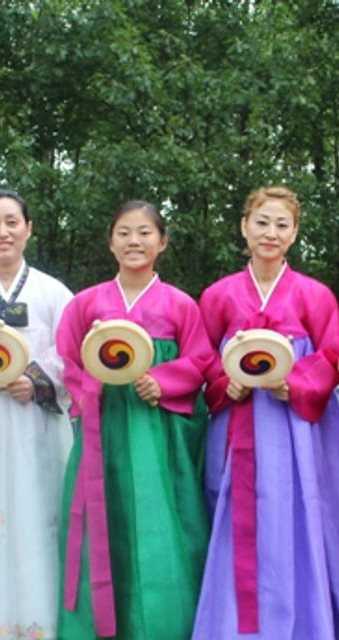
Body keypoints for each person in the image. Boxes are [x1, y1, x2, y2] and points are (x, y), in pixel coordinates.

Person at [192, 186, 339, 639]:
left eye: (282, 224)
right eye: (262, 222)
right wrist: (226, 383)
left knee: (297, 515)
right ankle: (232, 627)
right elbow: (202, 354)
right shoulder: (220, 295)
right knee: (235, 518)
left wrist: (296, 384)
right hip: (238, 423)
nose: (271, 232)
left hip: (293, 427)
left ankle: (303, 624)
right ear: (244, 227)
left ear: (295, 233)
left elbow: (332, 353)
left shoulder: (315, 295)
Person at [56, 200, 213, 640]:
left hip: (157, 432)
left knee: (160, 525)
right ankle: (93, 626)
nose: (134, 241)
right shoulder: (87, 303)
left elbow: (200, 359)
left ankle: (163, 626)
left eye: (145, 232)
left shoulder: (180, 304)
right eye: (124, 232)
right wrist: (90, 387)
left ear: (163, 243)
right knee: (102, 524)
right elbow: (68, 358)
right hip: (102, 429)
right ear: (110, 243)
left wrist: (163, 381)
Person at [0, 189, 73, 639]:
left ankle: (43, 624)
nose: (2, 232)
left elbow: (75, 354)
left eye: (11, 222)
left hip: (37, 425)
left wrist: (36, 381)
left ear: (29, 228)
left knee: (41, 520)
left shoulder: (53, 293)